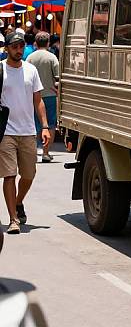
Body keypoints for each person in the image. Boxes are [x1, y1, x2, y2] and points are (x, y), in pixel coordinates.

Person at [0, 32, 50, 234]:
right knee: (9, 175)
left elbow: (38, 100)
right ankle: (13, 219)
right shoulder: (0, 69)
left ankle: (19, 201)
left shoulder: (31, 70)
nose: (19, 50)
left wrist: (45, 126)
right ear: (7, 49)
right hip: (6, 132)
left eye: (21, 46)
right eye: (14, 46)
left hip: (28, 131)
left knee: (29, 175)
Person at [27, 32, 59, 162]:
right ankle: (46, 153)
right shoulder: (52, 58)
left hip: (33, 95)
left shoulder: (30, 58)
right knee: (50, 124)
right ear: (48, 43)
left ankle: (32, 153)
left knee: (34, 125)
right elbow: (58, 78)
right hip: (50, 95)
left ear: (36, 42)